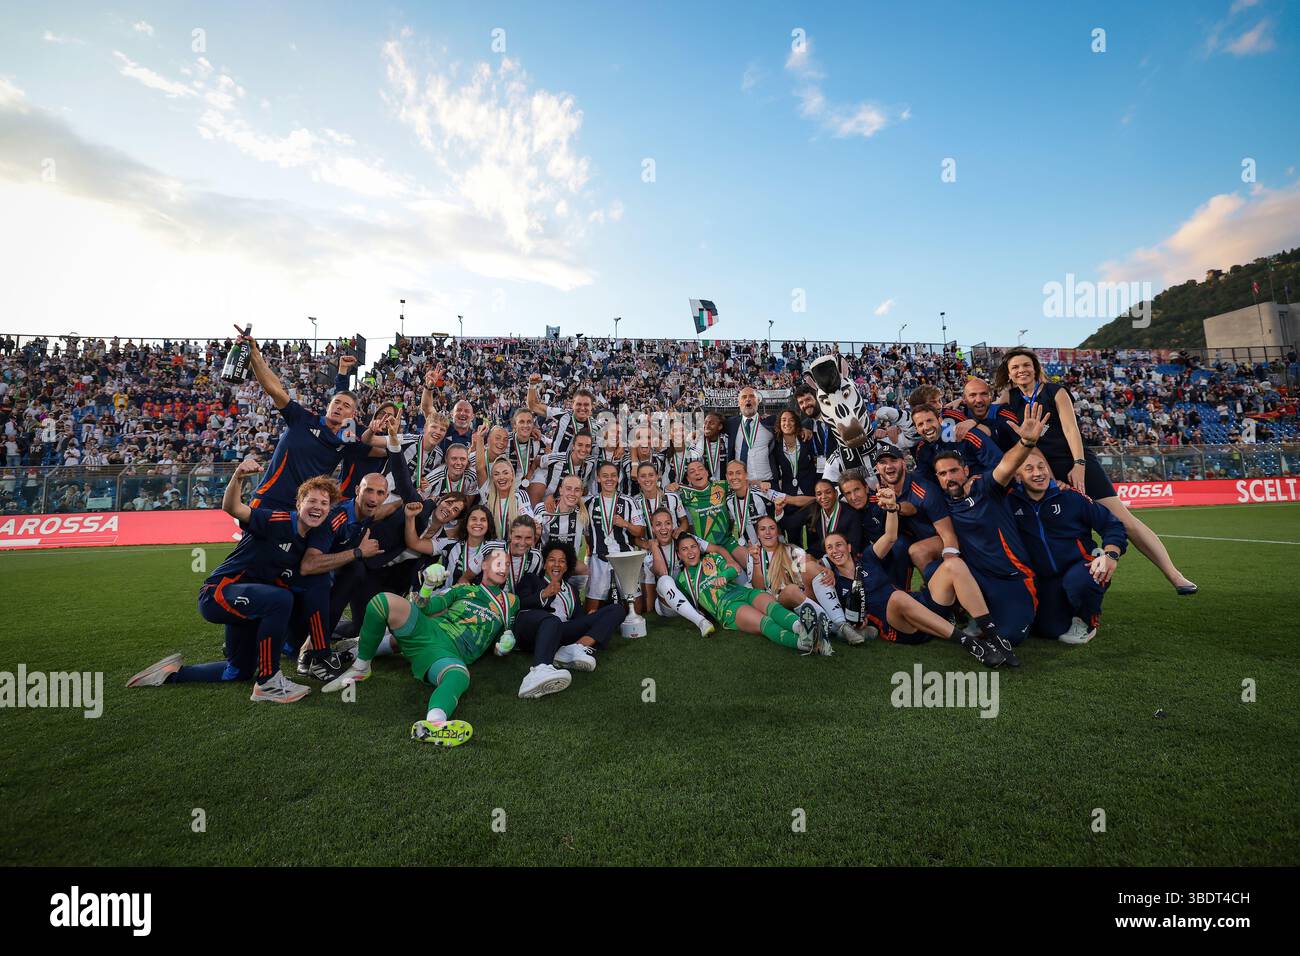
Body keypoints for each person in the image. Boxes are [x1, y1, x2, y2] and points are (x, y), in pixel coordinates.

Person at [126, 462, 348, 702]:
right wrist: (238, 476)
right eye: (312, 501)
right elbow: (232, 507)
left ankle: (170, 674)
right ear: (299, 504)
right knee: (281, 600)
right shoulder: (278, 520)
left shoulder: (309, 542)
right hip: (218, 594)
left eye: (324, 503)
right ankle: (268, 682)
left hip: (251, 602)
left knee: (238, 671)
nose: (318, 507)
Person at [992, 348, 1197, 595]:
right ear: (1009, 374)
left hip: (1075, 461)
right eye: (1015, 368)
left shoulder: (1054, 391)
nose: (1021, 371)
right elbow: (982, 404)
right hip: (1042, 470)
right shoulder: (1010, 396)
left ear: (1035, 368)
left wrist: (1079, 465)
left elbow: (1071, 430)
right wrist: (961, 406)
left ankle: (1175, 575)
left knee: (1124, 521)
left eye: (1025, 365)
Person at [323, 546, 519, 747]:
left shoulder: (511, 601)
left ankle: (434, 723)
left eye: (506, 564)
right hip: (428, 630)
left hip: (448, 653)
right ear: (484, 565)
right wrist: (427, 585)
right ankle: (362, 666)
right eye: (497, 562)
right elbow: (425, 608)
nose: (502, 567)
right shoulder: (463, 589)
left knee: (458, 675)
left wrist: (503, 648)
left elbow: (503, 638)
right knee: (381, 601)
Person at [933, 399, 1052, 654]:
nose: (949, 478)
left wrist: (1026, 443)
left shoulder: (985, 486)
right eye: (942, 474)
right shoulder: (943, 500)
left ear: (965, 470)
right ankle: (967, 613)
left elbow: (1006, 466)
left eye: (954, 471)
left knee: (1010, 637)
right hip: (976, 578)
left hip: (1011, 578)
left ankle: (990, 616)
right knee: (935, 565)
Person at [818, 529, 1008, 667]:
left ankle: (994, 637)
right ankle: (970, 643)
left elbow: (891, 536)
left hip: (919, 604)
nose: (835, 550)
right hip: (899, 625)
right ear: (826, 554)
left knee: (954, 566)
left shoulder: (867, 558)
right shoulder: (833, 582)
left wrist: (892, 508)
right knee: (897, 597)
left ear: (849, 547)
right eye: (830, 548)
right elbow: (847, 617)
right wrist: (860, 624)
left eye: (839, 545)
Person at [1008, 448, 1127, 644]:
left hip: (1082, 567)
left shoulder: (1071, 497)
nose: (1038, 473)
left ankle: (1087, 621)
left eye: (1041, 467)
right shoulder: (1011, 503)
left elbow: (1111, 524)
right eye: (1029, 469)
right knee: (1048, 629)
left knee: (1081, 581)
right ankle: (1069, 609)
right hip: (1046, 578)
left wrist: (1111, 555)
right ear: (1017, 476)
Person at [673, 534, 830, 655]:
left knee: (773, 608)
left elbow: (735, 569)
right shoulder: (681, 580)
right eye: (684, 549)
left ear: (698, 548)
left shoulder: (711, 558)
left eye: (693, 547)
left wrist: (724, 576)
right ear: (679, 554)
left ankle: (806, 629)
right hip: (727, 607)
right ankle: (806, 644)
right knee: (766, 622)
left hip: (742, 592)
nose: (690, 552)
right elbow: (681, 604)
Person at [512, 540, 628, 698]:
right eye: (552, 560)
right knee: (552, 621)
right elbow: (520, 603)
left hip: (562, 631)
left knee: (617, 609)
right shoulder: (532, 579)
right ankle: (538, 671)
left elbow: (577, 619)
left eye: (562, 561)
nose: (557, 565)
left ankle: (575, 649)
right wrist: (543, 594)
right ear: (545, 564)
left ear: (567, 567)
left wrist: (590, 619)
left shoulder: (571, 589)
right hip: (533, 630)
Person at [747, 514, 862, 645]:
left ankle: (842, 624)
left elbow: (810, 565)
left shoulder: (790, 549)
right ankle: (836, 627)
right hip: (779, 601)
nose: (767, 532)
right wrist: (756, 563)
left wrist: (825, 571)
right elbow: (758, 588)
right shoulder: (754, 555)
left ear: (777, 531)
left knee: (810, 566)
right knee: (791, 590)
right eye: (762, 529)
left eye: (771, 528)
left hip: (803, 595)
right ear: (758, 534)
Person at [641, 506, 724, 636]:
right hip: (667, 605)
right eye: (658, 525)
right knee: (665, 580)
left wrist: (731, 563)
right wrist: (654, 547)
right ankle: (701, 622)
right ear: (652, 528)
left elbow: (717, 550)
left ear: (673, 525)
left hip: (693, 594)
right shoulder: (648, 553)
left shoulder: (685, 540)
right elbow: (662, 572)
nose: (663, 528)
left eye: (667, 523)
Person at [583, 460, 643, 611]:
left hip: (625, 556)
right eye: (605, 476)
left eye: (613, 475)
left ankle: (617, 603)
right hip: (600, 558)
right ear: (598, 478)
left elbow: (640, 531)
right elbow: (587, 534)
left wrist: (626, 524)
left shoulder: (629, 501)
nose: (609, 479)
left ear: (618, 478)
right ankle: (610, 603)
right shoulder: (589, 503)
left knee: (638, 609)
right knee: (591, 609)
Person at [910, 403, 1002, 485]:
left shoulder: (964, 434)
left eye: (929, 420)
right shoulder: (922, 450)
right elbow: (924, 481)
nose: (926, 427)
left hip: (986, 490)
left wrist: (978, 483)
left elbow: (998, 464)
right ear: (916, 429)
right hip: (954, 499)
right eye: (920, 424)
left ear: (939, 420)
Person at [724, 386, 778, 482]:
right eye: (744, 397)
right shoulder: (731, 424)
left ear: (758, 401)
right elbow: (712, 428)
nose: (748, 399)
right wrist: (697, 432)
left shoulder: (770, 422)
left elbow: (791, 425)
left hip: (767, 484)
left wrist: (804, 430)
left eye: (752, 396)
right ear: (739, 402)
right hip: (741, 485)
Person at [804, 478, 862, 559]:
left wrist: (826, 562)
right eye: (819, 494)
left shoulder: (851, 514)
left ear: (835, 493)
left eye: (828, 492)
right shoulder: (815, 513)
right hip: (823, 556)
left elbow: (854, 547)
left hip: (844, 558)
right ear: (816, 498)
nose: (823, 497)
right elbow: (815, 543)